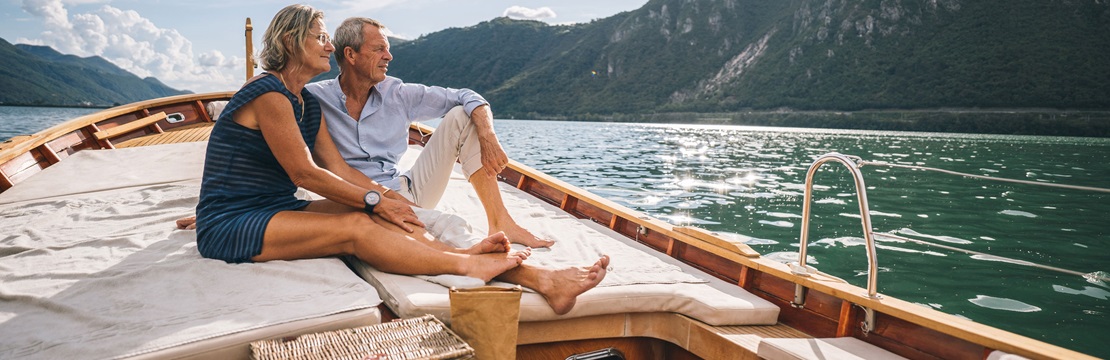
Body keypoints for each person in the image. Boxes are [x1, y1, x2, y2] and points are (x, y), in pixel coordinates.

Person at [188, 4, 607, 315]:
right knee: (356, 225)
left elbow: (339, 169)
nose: (329, 45)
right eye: (319, 37)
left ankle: (507, 269)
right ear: (288, 42)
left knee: (382, 216)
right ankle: (467, 263)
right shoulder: (268, 94)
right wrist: (370, 202)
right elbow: (305, 173)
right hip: (231, 224)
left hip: (275, 208)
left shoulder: (305, 105)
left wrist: (385, 201)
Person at [306, 17, 554, 249]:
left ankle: (500, 221)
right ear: (350, 54)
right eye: (379, 48)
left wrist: (488, 136)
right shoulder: (314, 99)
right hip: (354, 199)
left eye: (388, 48)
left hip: (406, 191)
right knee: (438, 227)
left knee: (462, 114)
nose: (389, 56)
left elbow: (468, 96)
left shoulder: (398, 93)